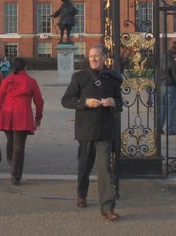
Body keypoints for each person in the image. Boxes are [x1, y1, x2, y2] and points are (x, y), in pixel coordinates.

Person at [61, 44, 122, 221]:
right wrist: (86, 102)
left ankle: (107, 207)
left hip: (105, 128)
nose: (93, 59)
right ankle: (82, 194)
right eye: (90, 56)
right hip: (86, 128)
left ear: (104, 58)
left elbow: (120, 103)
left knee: (105, 168)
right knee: (85, 165)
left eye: (96, 56)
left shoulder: (113, 78)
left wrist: (113, 102)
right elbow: (66, 100)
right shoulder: (79, 77)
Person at [0, 57, 44, 185]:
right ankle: (16, 174)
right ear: (24, 67)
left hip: (7, 114)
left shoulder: (7, 80)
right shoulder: (30, 81)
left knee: (11, 143)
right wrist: (38, 118)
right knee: (19, 145)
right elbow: (39, 102)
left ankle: (12, 167)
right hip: (22, 115)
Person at [158, 45, 176, 135]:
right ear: (175, 53)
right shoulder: (172, 62)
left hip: (161, 86)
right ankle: (170, 129)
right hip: (170, 86)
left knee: (162, 108)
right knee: (171, 108)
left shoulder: (161, 60)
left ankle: (159, 127)